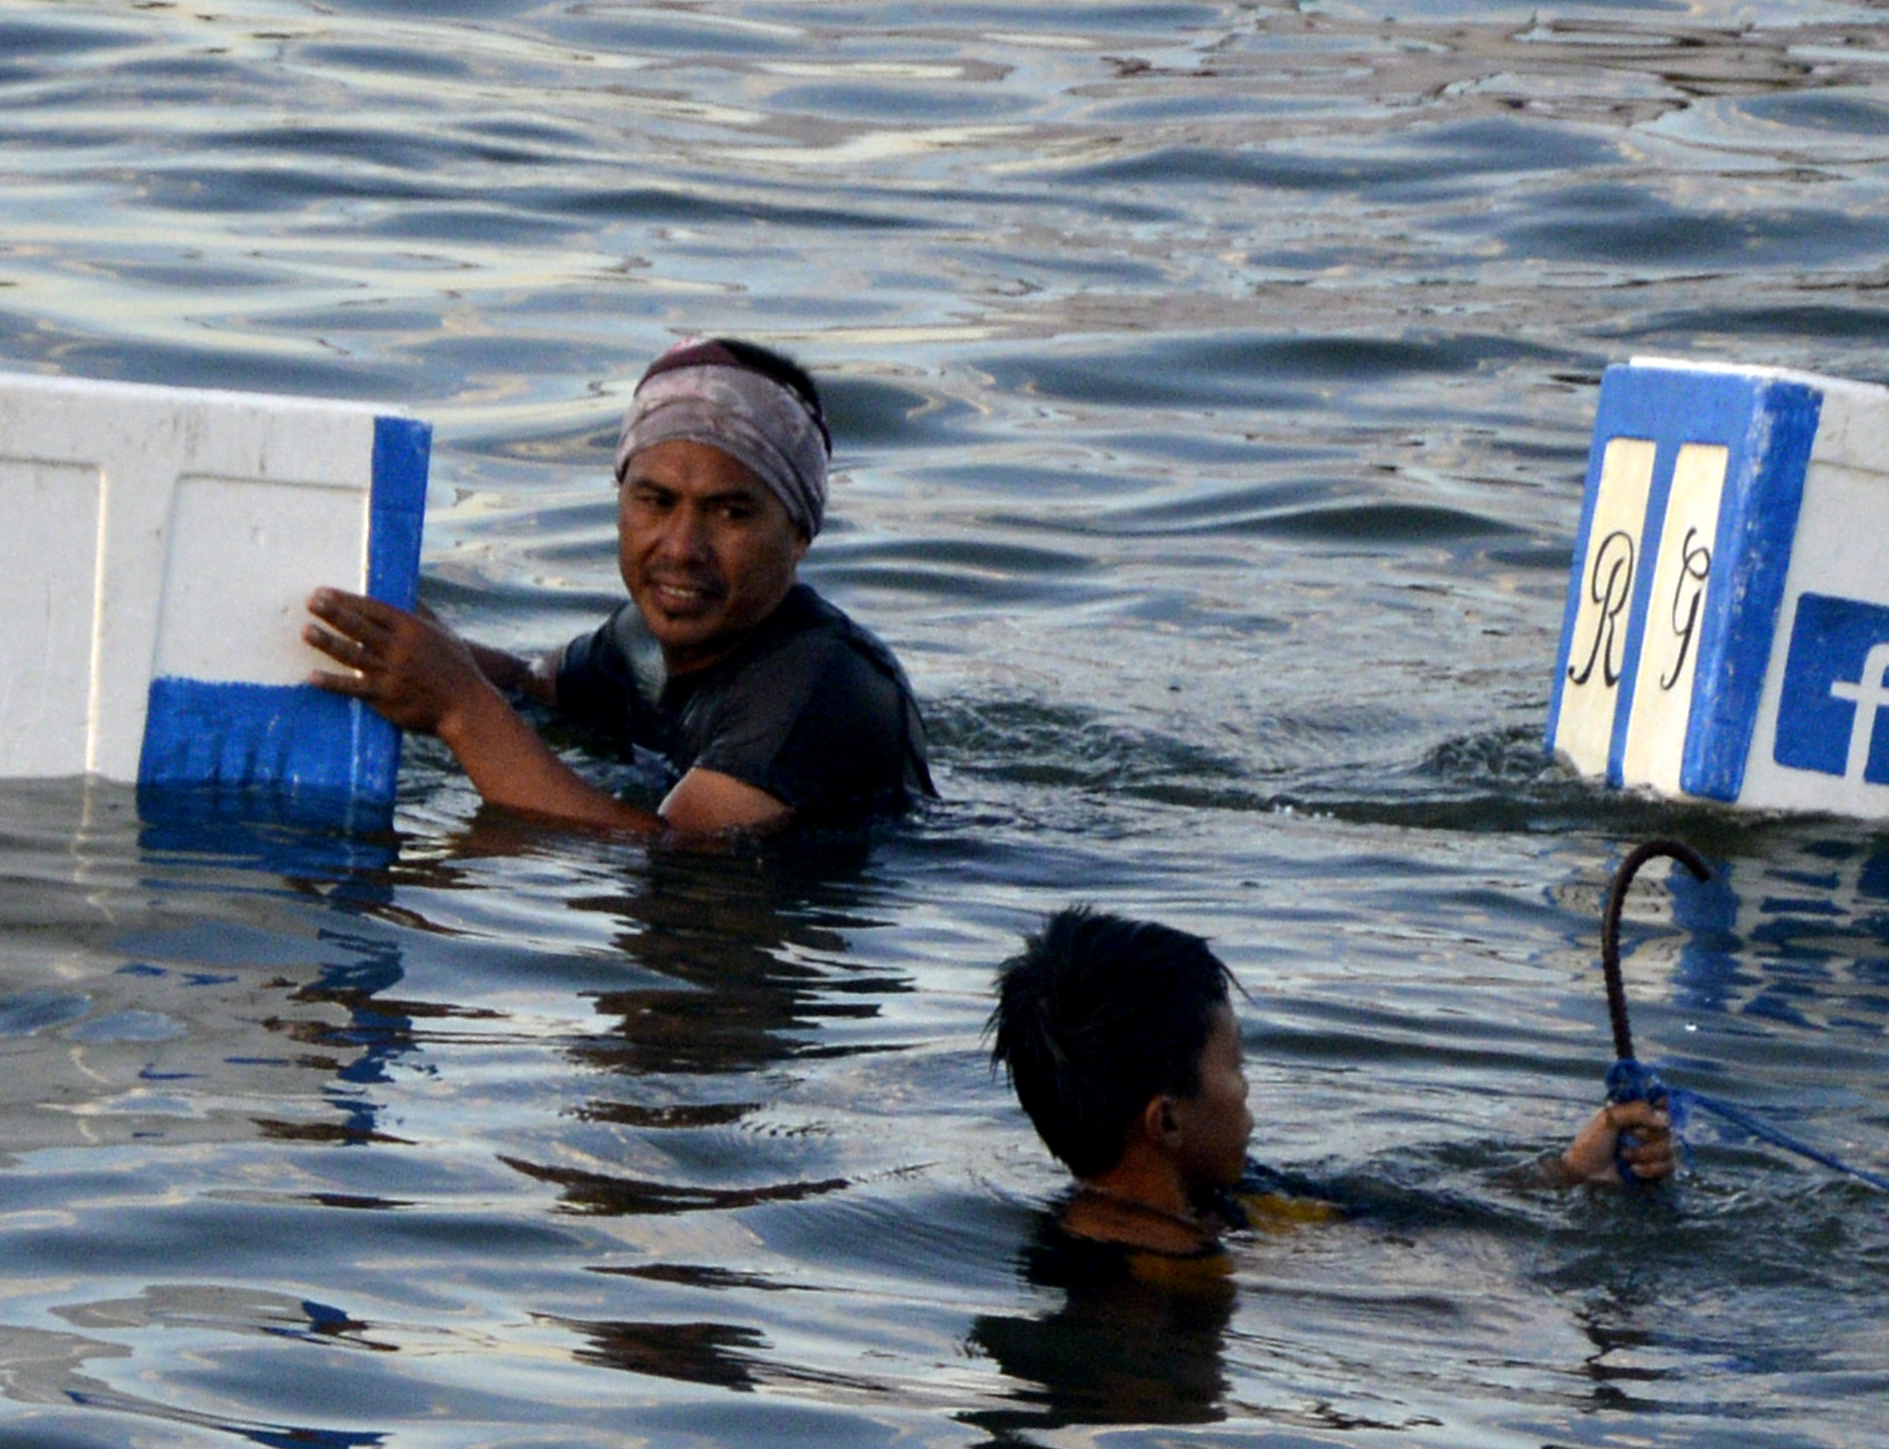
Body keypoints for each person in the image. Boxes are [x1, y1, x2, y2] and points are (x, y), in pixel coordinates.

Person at [303, 336, 930, 837]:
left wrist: (459, 708)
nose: (682, 548)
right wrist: (395, 632)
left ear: (799, 533)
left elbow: (664, 851)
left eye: (731, 512)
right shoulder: (644, 637)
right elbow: (530, 690)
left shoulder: (819, 691)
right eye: (655, 501)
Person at [989, 907, 1672, 1257]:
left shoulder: (1220, 1197)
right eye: (1237, 1069)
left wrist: (1572, 1171)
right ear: (1165, 1121)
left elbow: (1390, 1219)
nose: (1249, 1096)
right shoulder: (1152, 1271)